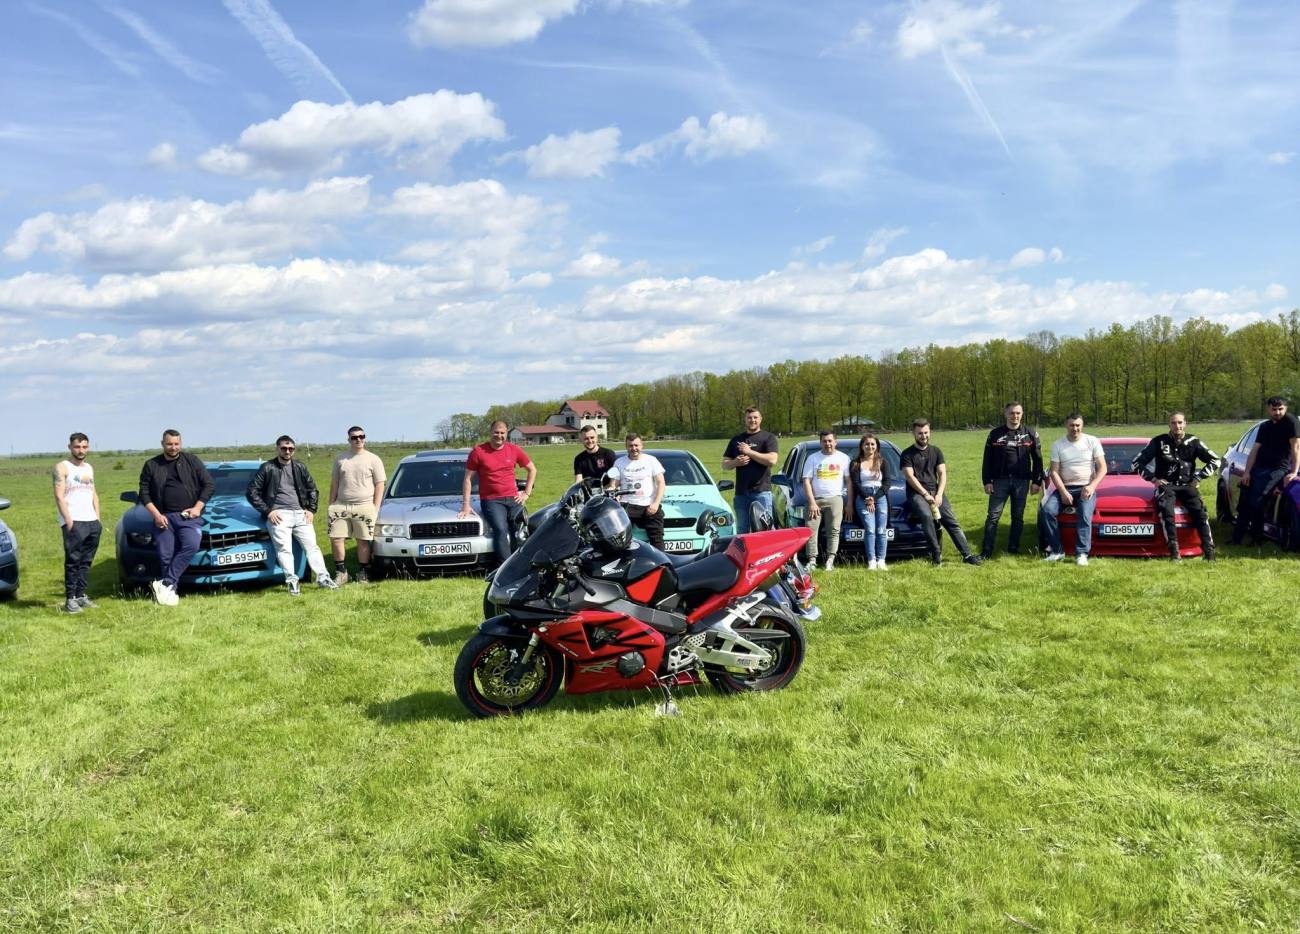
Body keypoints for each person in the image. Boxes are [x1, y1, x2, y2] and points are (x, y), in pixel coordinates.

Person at [247, 435, 340, 595]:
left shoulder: (299, 467)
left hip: (301, 514)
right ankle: (292, 581)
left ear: (294, 450)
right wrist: (268, 511)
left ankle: (323, 578)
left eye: (291, 448)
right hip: (279, 515)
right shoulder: (267, 467)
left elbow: (312, 489)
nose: (287, 451)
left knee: (313, 547)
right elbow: (252, 491)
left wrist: (311, 510)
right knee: (284, 549)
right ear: (277, 449)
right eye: (284, 448)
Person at [137, 429, 214, 605]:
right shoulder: (151, 465)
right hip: (163, 518)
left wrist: (197, 507)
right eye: (169, 444)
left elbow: (209, 485)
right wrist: (156, 515)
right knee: (166, 555)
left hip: (188, 517)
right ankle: (170, 594)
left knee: (191, 545)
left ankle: (165, 583)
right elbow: (144, 493)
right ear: (162, 444)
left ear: (181, 443)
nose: (173, 447)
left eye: (176, 444)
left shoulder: (192, 461)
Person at [1132, 413, 1220, 561]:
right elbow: (1136, 462)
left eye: (1180, 423)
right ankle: (1174, 553)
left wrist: (1199, 477)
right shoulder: (1159, 441)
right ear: (1169, 425)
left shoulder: (1194, 441)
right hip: (1167, 486)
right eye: (1173, 423)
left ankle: (1209, 552)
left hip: (1187, 485)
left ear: (1185, 423)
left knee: (1200, 512)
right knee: (1167, 513)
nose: (1177, 426)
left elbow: (1215, 461)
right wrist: (1154, 479)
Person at [901, 419, 981, 566]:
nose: (923, 436)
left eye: (926, 432)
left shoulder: (936, 451)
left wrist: (938, 494)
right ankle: (936, 555)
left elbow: (942, 474)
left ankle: (967, 555)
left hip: (936, 492)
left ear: (929, 432)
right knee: (926, 516)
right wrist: (925, 494)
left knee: (951, 521)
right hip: (917, 494)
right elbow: (910, 477)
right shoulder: (907, 454)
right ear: (914, 433)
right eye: (920, 433)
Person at [459, 420, 536, 564]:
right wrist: (465, 505)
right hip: (491, 500)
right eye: (496, 432)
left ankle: (523, 563)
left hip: (513, 498)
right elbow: (468, 479)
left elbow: (532, 469)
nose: (499, 435)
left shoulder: (514, 450)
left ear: (506, 434)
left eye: (502, 433)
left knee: (520, 529)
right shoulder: (478, 452)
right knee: (500, 529)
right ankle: (505, 566)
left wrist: (526, 493)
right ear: (490, 432)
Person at [1039, 413, 1108, 566]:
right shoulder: (1058, 445)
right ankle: (1057, 551)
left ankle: (1081, 554)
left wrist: (1091, 487)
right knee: (1047, 511)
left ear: (1082, 425)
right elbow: (1054, 471)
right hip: (1065, 487)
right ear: (1066, 425)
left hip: (1086, 488)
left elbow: (1103, 468)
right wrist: (1063, 492)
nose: (1075, 428)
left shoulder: (1092, 441)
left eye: (1078, 425)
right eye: (1072, 425)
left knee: (1084, 515)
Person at [1232, 395, 1300, 545]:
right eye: (1274, 409)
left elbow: (1295, 447)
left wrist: (1294, 472)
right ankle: (1237, 539)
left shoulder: (1291, 422)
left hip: (1277, 469)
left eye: (1280, 409)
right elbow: (1255, 450)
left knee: (1257, 501)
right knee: (1244, 503)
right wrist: (1247, 472)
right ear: (1268, 410)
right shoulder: (1265, 426)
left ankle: (1257, 538)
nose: (1277, 412)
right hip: (1258, 468)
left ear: (1286, 408)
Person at [980, 401, 1044, 558]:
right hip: (999, 481)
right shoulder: (994, 434)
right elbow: (986, 459)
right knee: (993, 517)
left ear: (1022, 414)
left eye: (1018, 413)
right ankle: (986, 552)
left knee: (1018, 517)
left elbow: (1038, 460)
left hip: (1021, 482)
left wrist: (1036, 481)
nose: (1015, 416)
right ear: (1005, 414)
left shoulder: (1030, 433)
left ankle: (1013, 549)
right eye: (1011, 413)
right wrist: (986, 481)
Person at [328, 426, 386, 584]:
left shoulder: (373, 459)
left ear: (365, 438)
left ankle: (363, 572)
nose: (358, 439)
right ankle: (341, 572)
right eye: (354, 437)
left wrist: (376, 507)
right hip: (341, 505)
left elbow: (380, 484)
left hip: (365, 505)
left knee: (362, 540)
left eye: (361, 436)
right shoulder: (341, 459)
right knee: (336, 538)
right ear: (349, 440)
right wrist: (331, 505)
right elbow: (335, 483)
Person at [53, 432, 101, 613]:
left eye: (84, 447)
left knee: (86, 561)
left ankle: (81, 595)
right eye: (77, 447)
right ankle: (70, 599)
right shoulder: (62, 467)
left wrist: (97, 518)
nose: (81, 450)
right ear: (70, 447)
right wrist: (68, 520)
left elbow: (93, 493)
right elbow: (59, 495)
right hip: (74, 521)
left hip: (91, 522)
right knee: (73, 561)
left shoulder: (89, 468)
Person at [722, 407, 779, 533]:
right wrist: (735, 462)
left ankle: (768, 553)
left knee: (766, 528)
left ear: (760, 419)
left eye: (755, 417)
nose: (752, 420)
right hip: (741, 494)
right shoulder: (736, 440)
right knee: (742, 529)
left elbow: (772, 460)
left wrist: (749, 452)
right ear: (745, 420)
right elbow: (725, 465)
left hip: (761, 492)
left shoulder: (768, 438)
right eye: (749, 418)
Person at [799, 430, 848, 570]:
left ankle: (830, 560)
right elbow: (806, 481)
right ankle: (812, 561)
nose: (827, 443)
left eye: (830, 440)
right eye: (824, 441)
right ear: (820, 442)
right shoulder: (812, 458)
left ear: (835, 441)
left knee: (833, 531)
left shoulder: (844, 458)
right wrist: (812, 502)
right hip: (815, 501)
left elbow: (849, 481)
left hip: (835, 499)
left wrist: (849, 503)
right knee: (810, 530)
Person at [846, 432, 892, 570]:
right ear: (862, 446)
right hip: (863, 497)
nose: (870, 446)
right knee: (870, 529)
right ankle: (872, 560)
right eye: (867, 444)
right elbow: (856, 483)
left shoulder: (883, 462)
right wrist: (867, 498)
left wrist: (874, 498)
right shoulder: (855, 463)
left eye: (872, 444)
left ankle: (881, 560)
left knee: (881, 530)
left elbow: (887, 483)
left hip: (880, 497)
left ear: (876, 446)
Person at [613, 433, 666, 550]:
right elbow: (614, 484)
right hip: (626, 505)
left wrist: (656, 504)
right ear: (626, 446)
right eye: (630, 445)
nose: (633, 448)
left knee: (657, 538)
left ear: (642, 446)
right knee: (620, 538)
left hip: (648, 505)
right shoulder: (619, 462)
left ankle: (662, 565)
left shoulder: (651, 460)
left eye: (636, 445)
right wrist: (614, 495)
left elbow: (661, 483)